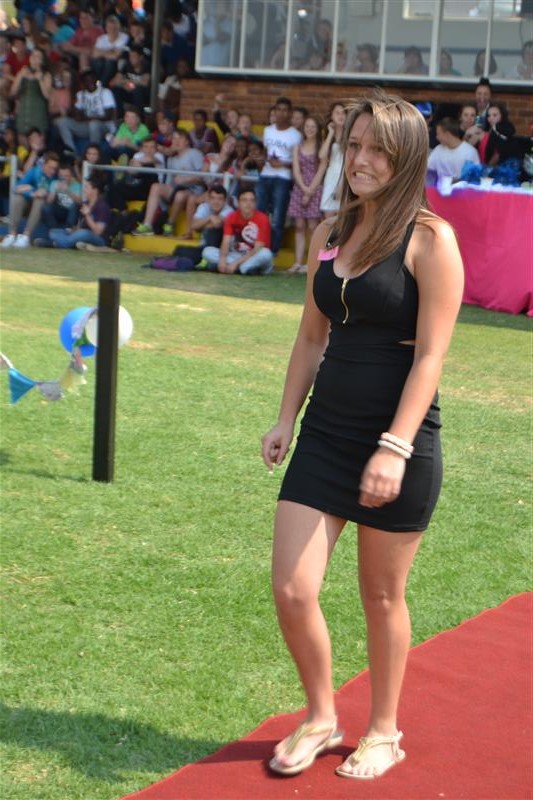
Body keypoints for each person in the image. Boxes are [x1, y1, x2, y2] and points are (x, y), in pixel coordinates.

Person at [261, 90, 464, 780]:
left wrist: (395, 448)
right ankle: (322, 716)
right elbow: (309, 337)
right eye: (354, 145)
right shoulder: (330, 231)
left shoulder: (431, 240)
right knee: (292, 588)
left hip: (397, 443)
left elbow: (430, 357)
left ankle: (383, 731)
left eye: (378, 149)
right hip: (324, 435)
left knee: (380, 597)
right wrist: (285, 418)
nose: (361, 160)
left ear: (406, 159)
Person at [133, 127, 204, 236]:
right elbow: (169, 183)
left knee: (180, 195)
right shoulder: (171, 159)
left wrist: (186, 179)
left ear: (187, 141)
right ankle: (147, 225)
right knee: (156, 186)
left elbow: (204, 177)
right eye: (174, 139)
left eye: (180, 138)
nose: (176, 141)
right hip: (177, 189)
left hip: (194, 191)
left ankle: (170, 224)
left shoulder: (194, 153)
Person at [256, 96, 302, 256]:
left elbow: (298, 161)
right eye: (278, 110)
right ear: (274, 111)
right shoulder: (268, 130)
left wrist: (282, 164)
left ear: (290, 113)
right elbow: (264, 152)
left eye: (285, 110)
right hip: (265, 175)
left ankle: (272, 252)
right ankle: (256, 248)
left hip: (283, 178)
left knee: (277, 217)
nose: (281, 113)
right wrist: (263, 160)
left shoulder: (295, 135)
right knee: (259, 213)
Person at [201, 186, 273, 275]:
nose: (248, 203)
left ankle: (240, 268)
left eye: (252, 200)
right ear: (238, 203)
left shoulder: (263, 219)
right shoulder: (231, 217)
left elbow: (257, 249)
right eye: (244, 200)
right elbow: (226, 242)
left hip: (255, 255)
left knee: (266, 253)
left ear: (255, 203)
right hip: (237, 255)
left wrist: (235, 263)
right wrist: (222, 260)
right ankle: (246, 269)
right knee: (207, 252)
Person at [287, 116, 327, 274]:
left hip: (315, 188)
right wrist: (303, 188)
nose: (309, 129)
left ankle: (312, 263)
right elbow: (296, 169)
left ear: (317, 129)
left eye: (313, 126)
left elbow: (322, 169)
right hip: (300, 187)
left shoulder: (321, 147)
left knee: (312, 227)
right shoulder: (297, 147)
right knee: (299, 226)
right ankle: (297, 262)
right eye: (307, 126)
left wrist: (310, 191)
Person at [1, 149, 59, 248]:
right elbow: (16, 188)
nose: (52, 171)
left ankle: (26, 237)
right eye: (50, 167)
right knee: (18, 197)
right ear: (44, 165)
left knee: (39, 199)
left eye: (55, 168)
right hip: (30, 204)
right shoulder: (35, 171)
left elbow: (50, 198)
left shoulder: (56, 177)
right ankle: (12, 234)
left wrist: (38, 192)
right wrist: (33, 192)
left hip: (47, 209)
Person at [54, 69, 116, 156]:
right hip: (87, 126)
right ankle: (71, 152)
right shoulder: (81, 94)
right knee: (62, 121)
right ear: (83, 83)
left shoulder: (105, 92)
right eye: (87, 81)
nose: (90, 83)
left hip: (104, 127)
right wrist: (84, 117)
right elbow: (77, 116)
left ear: (96, 80)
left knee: (94, 124)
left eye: (92, 80)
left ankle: (93, 154)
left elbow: (108, 116)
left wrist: (87, 118)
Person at [49, 174, 111, 249]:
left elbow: (98, 232)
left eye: (87, 187)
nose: (84, 190)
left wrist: (87, 215)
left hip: (98, 239)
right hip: (82, 234)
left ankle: (61, 243)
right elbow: (81, 225)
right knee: (54, 232)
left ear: (95, 190)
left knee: (84, 233)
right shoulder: (86, 203)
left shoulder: (102, 207)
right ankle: (73, 243)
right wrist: (74, 230)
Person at [9, 47, 52, 137]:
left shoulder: (46, 75)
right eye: (33, 55)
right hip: (23, 113)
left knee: (37, 140)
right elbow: (12, 92)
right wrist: (20, 76)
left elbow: (47, 96)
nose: (34, 57)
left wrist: (40, 80)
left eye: (37, 56)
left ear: (42, 60)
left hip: (38, 114)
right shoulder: (23, 72)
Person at [319, 102, 346, 219]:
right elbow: (322, 156)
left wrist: (342, 184)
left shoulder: (350, 135)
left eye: (343, 113)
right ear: (331, 116)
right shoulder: (329, 136)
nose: (341, 116)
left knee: (343, 217)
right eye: (337, 113)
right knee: (328, 216)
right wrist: (330, 133)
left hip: (345, 176)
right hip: (331, 177)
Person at [90, 14, 128, 86]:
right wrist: (110, 51)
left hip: (116, 65)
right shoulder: (101, 39)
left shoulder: (124, 37)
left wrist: (102, 52)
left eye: (115, 28)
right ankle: (98, 84)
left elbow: (115, 56)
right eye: (110, 27)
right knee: (97, 62)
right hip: (101, 65)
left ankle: (101, 86)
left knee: (109, 62)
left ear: (119, 27)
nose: (112, 30)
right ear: (106, 28)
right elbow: (94, 54)